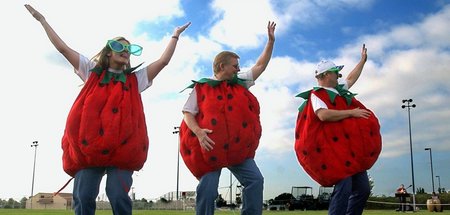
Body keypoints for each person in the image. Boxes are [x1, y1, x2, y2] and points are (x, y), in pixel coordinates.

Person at [25, 4, 190, 215]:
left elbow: (164, 61)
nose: (125, 52)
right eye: (119, 48)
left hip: (123, 148)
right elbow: (63, 49)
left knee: (117, 193)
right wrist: (42, 20)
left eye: (129, 50)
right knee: (83, 196)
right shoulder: (92, 71)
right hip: (89, 148)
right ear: (109, 52)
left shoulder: (135, 80)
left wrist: (175, 35)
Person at [179, 21, 276, 215]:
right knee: (207, 190)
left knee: (255, 180)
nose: (238, 70)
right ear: (222, 66)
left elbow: (260, 65)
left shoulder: (240, 83)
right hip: (210, 148)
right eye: (235, 66)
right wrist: (198, 132)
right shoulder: (202, 87)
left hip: (237, 150)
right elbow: (188, 113)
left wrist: (270, 41)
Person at [294, 44, 382, 215]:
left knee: (363, 188)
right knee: (345, 186)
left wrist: (362, 61)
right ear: (326, 75)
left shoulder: (338, 90)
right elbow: (323, 115)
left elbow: (351, 78)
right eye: (336, 72)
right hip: (332, 153)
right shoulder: (316, 95)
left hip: (348, 152)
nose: (339, 75)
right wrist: (352, 112)